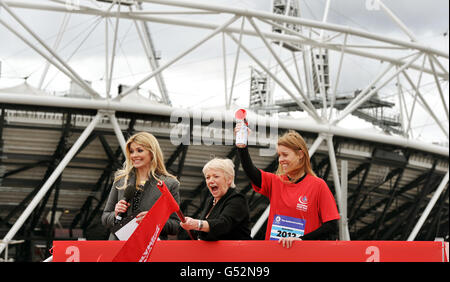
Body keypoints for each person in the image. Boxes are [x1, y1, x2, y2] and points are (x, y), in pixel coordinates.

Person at [235, 125, 340, 248]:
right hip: (275, 254)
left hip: (304, 256)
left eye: (285, 155)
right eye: (279, 155)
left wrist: (301, 240)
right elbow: (250, 171)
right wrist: (242, 147)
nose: (280, 159)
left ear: (300, 154)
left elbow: (332, 226)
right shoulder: (276, 182)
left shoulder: (318, 185)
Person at [102, 131, 180, 240]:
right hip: (119, 246)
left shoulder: (169, 184)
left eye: (139, 150)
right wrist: (115, 214)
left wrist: (153, 221)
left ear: (152, 152)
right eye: (131, 151)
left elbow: (176, 225)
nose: (134, 155)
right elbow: (105, 218)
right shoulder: (120, 180)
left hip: (150, 249)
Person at [180, 158, 251, 241]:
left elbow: (223, 225)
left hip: (237, 252)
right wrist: (189, 226)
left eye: (216, 176)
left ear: (229, 179)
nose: (210, 181)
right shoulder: (210, 201)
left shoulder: (237, 200)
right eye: (207, 177)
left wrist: (197, 224)